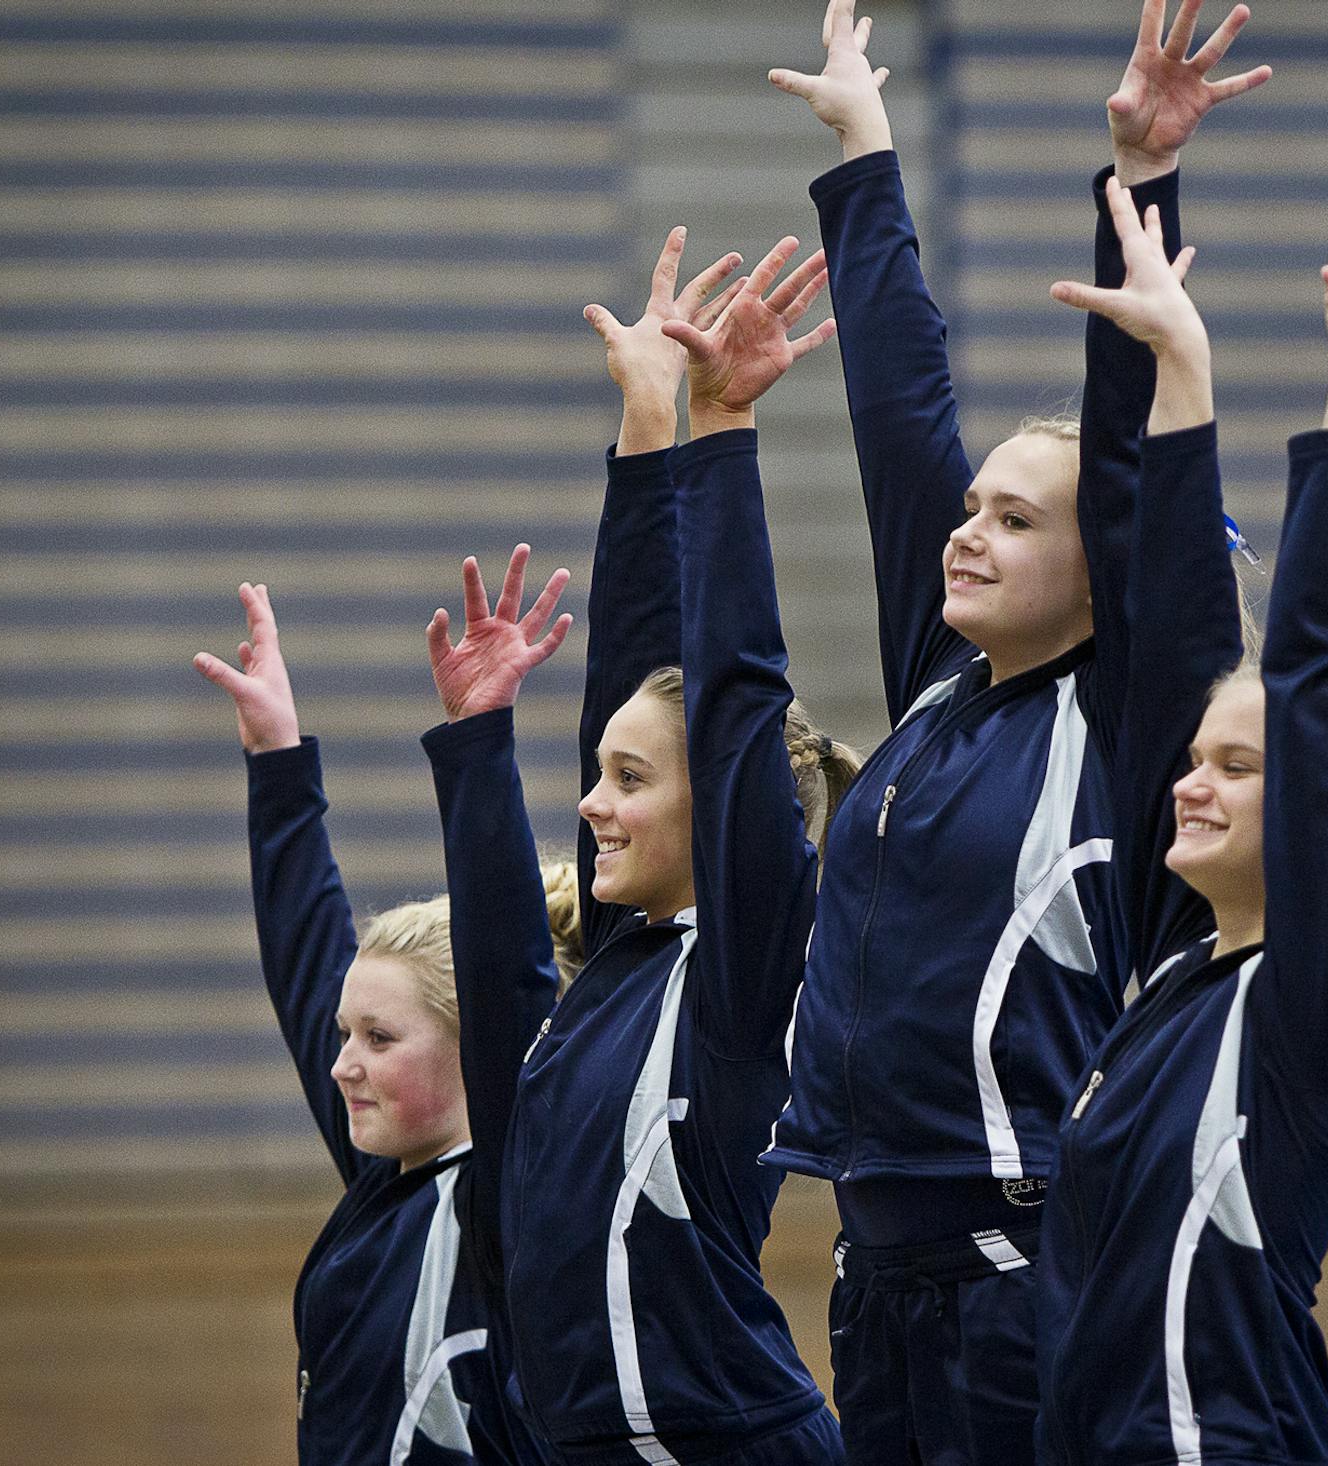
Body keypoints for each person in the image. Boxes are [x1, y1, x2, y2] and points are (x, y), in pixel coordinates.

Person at [760, 2, 1268, 1458]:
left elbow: (1136, 477)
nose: (967, 532)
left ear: (1103, 567)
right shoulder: (939, 678)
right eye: (972, 512)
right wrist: (862, 149)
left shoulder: (1132, 717)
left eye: (1015, 518)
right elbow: (899, 410)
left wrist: (1138, 176)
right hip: (874, 1274)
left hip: (1026, 1279)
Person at [1034, 177, 1328, 1462]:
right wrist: (1181, 369)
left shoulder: (1325, 1001)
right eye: (1198, 758)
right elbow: (1173, 616)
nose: (1192, 780)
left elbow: (1320, 673)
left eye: (1241, 768)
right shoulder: (1179, 963)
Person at [418, 236, 852, 1466]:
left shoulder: (745, 972)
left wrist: (716, 444)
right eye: (593, 777)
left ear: (719, 801)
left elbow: (720, 688)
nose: (594, 807)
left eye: (628, 782)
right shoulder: (608, 973)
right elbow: (635, 681)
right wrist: (644, 424)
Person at [193, 581, 571, 1466]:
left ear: (475, 1050)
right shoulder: (383, 1175)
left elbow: (507, 974)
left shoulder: (511, 1204)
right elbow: (305, 956)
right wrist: (277, 760)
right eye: (345, 1036)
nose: (342, 1065)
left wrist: (480, 738)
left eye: (380, 1039)